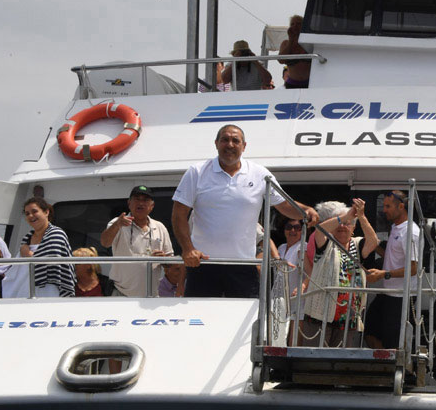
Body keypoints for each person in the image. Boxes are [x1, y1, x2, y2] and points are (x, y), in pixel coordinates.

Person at [172, 125, 319, 298]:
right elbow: (178, 214)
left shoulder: (259, 174)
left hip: (244, 265)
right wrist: (188, 249)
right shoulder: (196, 172)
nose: (230, 144)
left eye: (236, 140)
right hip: (203, 265)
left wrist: (306, 210)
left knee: (245, 324)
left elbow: (284, 205)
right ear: (216, 143)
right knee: (201, 322)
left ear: (244, 146)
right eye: (225, 139)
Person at [304, 198, 380, 347]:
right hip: (320, 315)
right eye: (339, 223)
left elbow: (373, 241)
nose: (343, 226)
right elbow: (319, 230)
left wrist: (361, 216)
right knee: (315, 360)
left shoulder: (357, 245)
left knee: (339, 362)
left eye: (348, 224)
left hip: (348, 318)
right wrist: (345, 217)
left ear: (353, 229)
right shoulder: (326, 243)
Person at [364, 190, 423, 350]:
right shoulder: (395, 228)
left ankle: (391, 370)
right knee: (369, 329)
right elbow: (392, 257)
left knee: (393, 341)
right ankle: (382, 366)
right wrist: (373, 246)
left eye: (388, 206)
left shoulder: (411, 232)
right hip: (387, 293)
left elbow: (414, 268)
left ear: (401, 206)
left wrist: (384, 274)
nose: (384, 210)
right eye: (383, 206)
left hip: (401, 296)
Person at [99, 184, 174, 297]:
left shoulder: (160, 227)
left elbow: (171, 264)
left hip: (151, 296)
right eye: (137, 199)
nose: (141, 203)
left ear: (152, 206)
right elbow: (105, 243)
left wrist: (164, 260)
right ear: (129, 203)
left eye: (145, 200)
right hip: (121, 294)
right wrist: (117, 225)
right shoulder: (117, 222)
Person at [19, 197, 74, 297]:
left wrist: (28, 255)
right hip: (27, 289)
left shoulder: (57, 234)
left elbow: (52, 262)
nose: (31, 216)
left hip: (51, 289)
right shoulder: (26, 238)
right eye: (27, 214)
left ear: (46, 212)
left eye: (34, 211)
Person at [278, 15, 312, 89]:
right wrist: (291, 40)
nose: (295, 26)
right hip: (292, 83)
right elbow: (281, 60)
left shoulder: (309, 42)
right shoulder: (286, 43)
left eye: (298, 24)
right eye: (292, 24)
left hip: (310, 83)